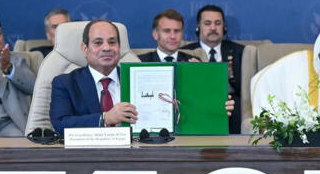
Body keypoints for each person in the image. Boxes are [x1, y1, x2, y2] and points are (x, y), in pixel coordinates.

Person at [50, 19, 234, 133]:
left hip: (138, 156)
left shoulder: (141, 78)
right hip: (87, 159)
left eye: (112, 42)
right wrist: (105, 118)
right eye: (98, 43)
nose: (106, 48)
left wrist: (210, 102)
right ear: (85, 49)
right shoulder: (65, 83)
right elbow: (60, 124)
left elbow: (175, 111)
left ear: (119, 47)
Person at [182, 5, 245, 133]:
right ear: (198, 26)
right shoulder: (186, 52)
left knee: (235, 103)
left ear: (224, 27)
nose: (213, 28)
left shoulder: (240, 52)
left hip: (231, 106)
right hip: (197, 104)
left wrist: (231, 76)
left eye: (217, 23)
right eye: (207, 23)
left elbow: (245, 90)